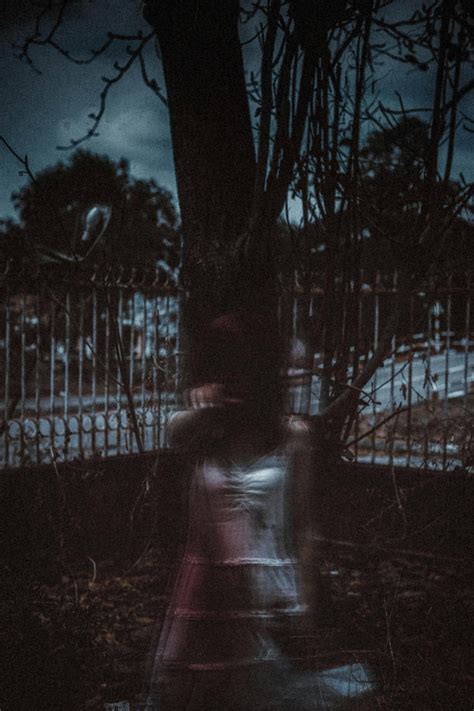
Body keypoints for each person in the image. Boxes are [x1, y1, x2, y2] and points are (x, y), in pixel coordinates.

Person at [144, 310, 375, 710]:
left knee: (256, 692)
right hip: (209, 595)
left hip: (269, 589)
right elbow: (174, 431)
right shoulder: (202, 432)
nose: (235, 380)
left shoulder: (292, 436)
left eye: (243, 367)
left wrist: (303, 595)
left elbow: (303, 526)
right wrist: (206, 409)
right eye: (225, 368)